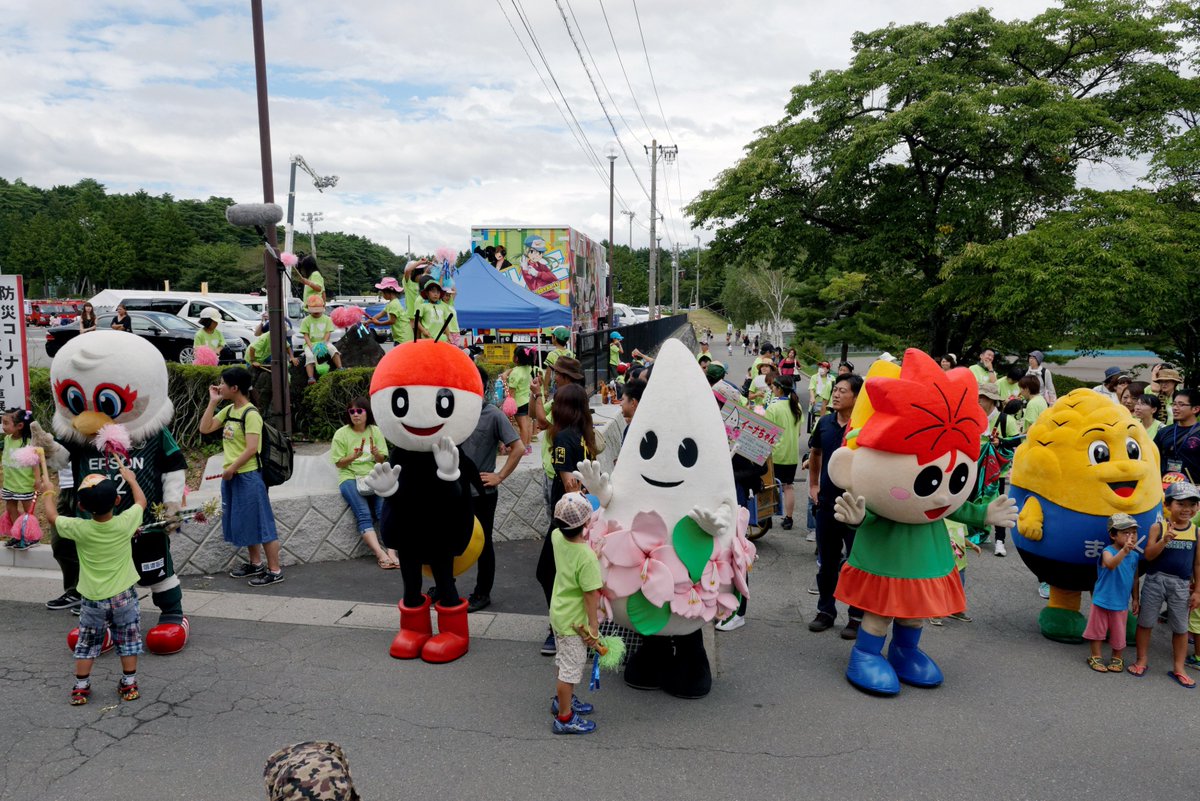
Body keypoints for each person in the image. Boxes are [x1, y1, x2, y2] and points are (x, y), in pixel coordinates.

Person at [41, 464, 146, 705]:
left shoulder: (80, 528)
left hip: (93, 599)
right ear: (118, 500)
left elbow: (52, 518)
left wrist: (48, 491)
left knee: (87, 641)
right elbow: (140, 501)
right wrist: (131, 479)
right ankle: (129, 684)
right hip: (124, 597)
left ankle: (81, 687)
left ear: (81, 507)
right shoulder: (125, 523)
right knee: (128, 639)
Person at [199, 366, 282, 586]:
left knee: (262, 523)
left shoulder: (250, 413)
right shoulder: (229, 411)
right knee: (246, 521)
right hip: (233, 476)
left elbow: (252, 448)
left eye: (223, 383)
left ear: (235, 388)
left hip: (248, 477)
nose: (220, 386)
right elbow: (205, 428)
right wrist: (213, 402)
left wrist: (232, 468)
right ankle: (256, 564)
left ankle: (275, 570)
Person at [534, 382, 595, 655]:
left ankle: (558, 628)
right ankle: (578, 625)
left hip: (566, 517)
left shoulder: (563, 438)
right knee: (573, 574)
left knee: (547, 571)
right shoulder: (585, 436)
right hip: (584, 513)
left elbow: (569, 482)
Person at [461, 366, 523, 612]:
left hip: (482, 494)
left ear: (483, 386)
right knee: (446, 540)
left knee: (483, 544)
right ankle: (445, 585)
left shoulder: (492, 415)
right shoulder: (453, 413)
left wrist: (500, 476)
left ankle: (482, 593)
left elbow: (517, 447)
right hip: (452, 491)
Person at [808, 372, 864, 638]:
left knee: (856, 563)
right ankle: (826, 610)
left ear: (857, 396)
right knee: (827, 562)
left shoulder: (864, 425)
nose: (837, 394)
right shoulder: (825, 423)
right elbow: (816, 453)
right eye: (836, 390)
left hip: (856, 505)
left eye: (844, 390)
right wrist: (813, 485)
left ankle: (856, 616)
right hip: (828, 503)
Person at [1128, 481, 1200, 686]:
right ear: (1168, 505)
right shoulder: (1158, 527)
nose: (1187, 509)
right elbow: (1149, 556)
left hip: (1181, 585)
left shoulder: (1196, 532)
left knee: (1180, 627)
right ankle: (1141, 659)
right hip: (1155, 580)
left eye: (1192, 504)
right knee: (1146, 622)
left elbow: (1197, 563)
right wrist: (1164, 540)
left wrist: (1198, 591)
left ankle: (1179, 667)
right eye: (1181, 504)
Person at [547, 492, 602, 735]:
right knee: (570, 670)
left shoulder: (556, 536)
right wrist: (594, 626)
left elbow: (572, 556)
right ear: (587, 523)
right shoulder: (587, 557)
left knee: (563, 662)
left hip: (558, 613)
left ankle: (562, 700)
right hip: (574, 622)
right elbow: (591, 595)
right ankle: (565, 717)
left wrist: (591, 555)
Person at [330, 398, 392, 569]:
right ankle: (380, 555)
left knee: (384, 513)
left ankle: (392, 553)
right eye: (352, 412)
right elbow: (338, 463)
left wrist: (376, 453)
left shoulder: (375, 431)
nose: (355, 415)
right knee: (364, 515)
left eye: (359, 411)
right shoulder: (341, 434)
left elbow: (382, 460)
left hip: (374, 475)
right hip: (350, 477)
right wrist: (353, 457)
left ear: (367, 413)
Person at [1083, 513, 1140, 673]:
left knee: (1118, 632)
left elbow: (1135, 578)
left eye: (1134, 533)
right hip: (1101, 599)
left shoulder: (1135, 556)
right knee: (1097, 630)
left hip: (1121, 602)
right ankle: (1095, 656)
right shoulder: (1108, 551)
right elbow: (1110, 565)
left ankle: (1117, 657)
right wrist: (1124, 551)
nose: (1131, 537)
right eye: (1126, 533)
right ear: (1113, 535)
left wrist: (1136, 598)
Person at [764, 375, 804, 530]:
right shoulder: (797, 406)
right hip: (792, 454)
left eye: (773, 386)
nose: (772, 389)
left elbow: (768, 434)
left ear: (779, 389)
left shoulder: (773, 408)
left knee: (770, 486)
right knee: (788, 486)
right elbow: (799, 432)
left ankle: (767, 517)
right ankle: (789, 518)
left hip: (776, 453)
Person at [930, 521, 981, 625]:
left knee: (959, 588)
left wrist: (972, 545)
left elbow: (961, 537)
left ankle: (956, 611)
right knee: (940, 588)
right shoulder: (940, 520)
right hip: (944, 563)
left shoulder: (960, 519)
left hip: (960, 562)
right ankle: (935, 613)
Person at [2, 408, 36, 540]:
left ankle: (31, 536)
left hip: (25, 485)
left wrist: (38, 480)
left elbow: (35, 464)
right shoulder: (7, 439)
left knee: (29, 512)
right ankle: (18, 534)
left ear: (20, 426)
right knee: (11, 509)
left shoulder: (29, 443)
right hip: (9, 484)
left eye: (6, 423)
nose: (3, 426)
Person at [1154, 389, 1200, 480]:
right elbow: (1152, 457)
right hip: (1165, 487)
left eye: (1181, 404)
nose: (1175, 408)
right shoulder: (1164, 432)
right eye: (1174, 404)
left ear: (1196, 409)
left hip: (1194, 489)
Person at [300, 295, 343, 385]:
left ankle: (340, 367)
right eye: (314, 311)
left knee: (333, 350)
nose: (316, 313)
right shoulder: (305, 321)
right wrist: (311, 347)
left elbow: (328, 333)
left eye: (318, 311)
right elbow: (306, 335)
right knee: (310, 357)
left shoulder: (327, 319)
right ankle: (311, 377)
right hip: (310, 344)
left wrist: (323, 344)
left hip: (324, 342)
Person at [506, 346, 536, 454]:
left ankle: (522, 448)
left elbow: (512, 392)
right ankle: (527, 446)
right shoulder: (528, 368)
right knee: (528, 424)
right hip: (528, 400)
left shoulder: (516, 372)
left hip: (519, 402)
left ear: (517, 358)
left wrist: (510, 405)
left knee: (522, 426)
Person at [368, 276, 412, 345]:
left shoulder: (393, 304)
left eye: (383, 293)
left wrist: (379, 323)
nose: (382, 295)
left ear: (388, 292)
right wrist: (367, 322)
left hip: (403, 337)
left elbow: (392, 321)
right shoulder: (391, 303)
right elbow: (380, 315)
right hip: (401, 336)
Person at [414, 275, 458, 343]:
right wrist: (423, 330)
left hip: (441, 339)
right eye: (433, 291)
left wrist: (448, 335)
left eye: (438, 292)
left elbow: (445, 323)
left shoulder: (442, 307)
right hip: (428, 338)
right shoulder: (423, 306)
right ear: (427, 293)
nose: (436, 294)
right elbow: (416, 321)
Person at [809, 361, 833, 430]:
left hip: (827, 404)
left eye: (823, 367)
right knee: (815, 425)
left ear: (828, 370)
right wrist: (812, 397)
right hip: (816, 403)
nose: (821, 368)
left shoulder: (832, 379)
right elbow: (811, 388)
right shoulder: (814, 377)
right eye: (820, 367)